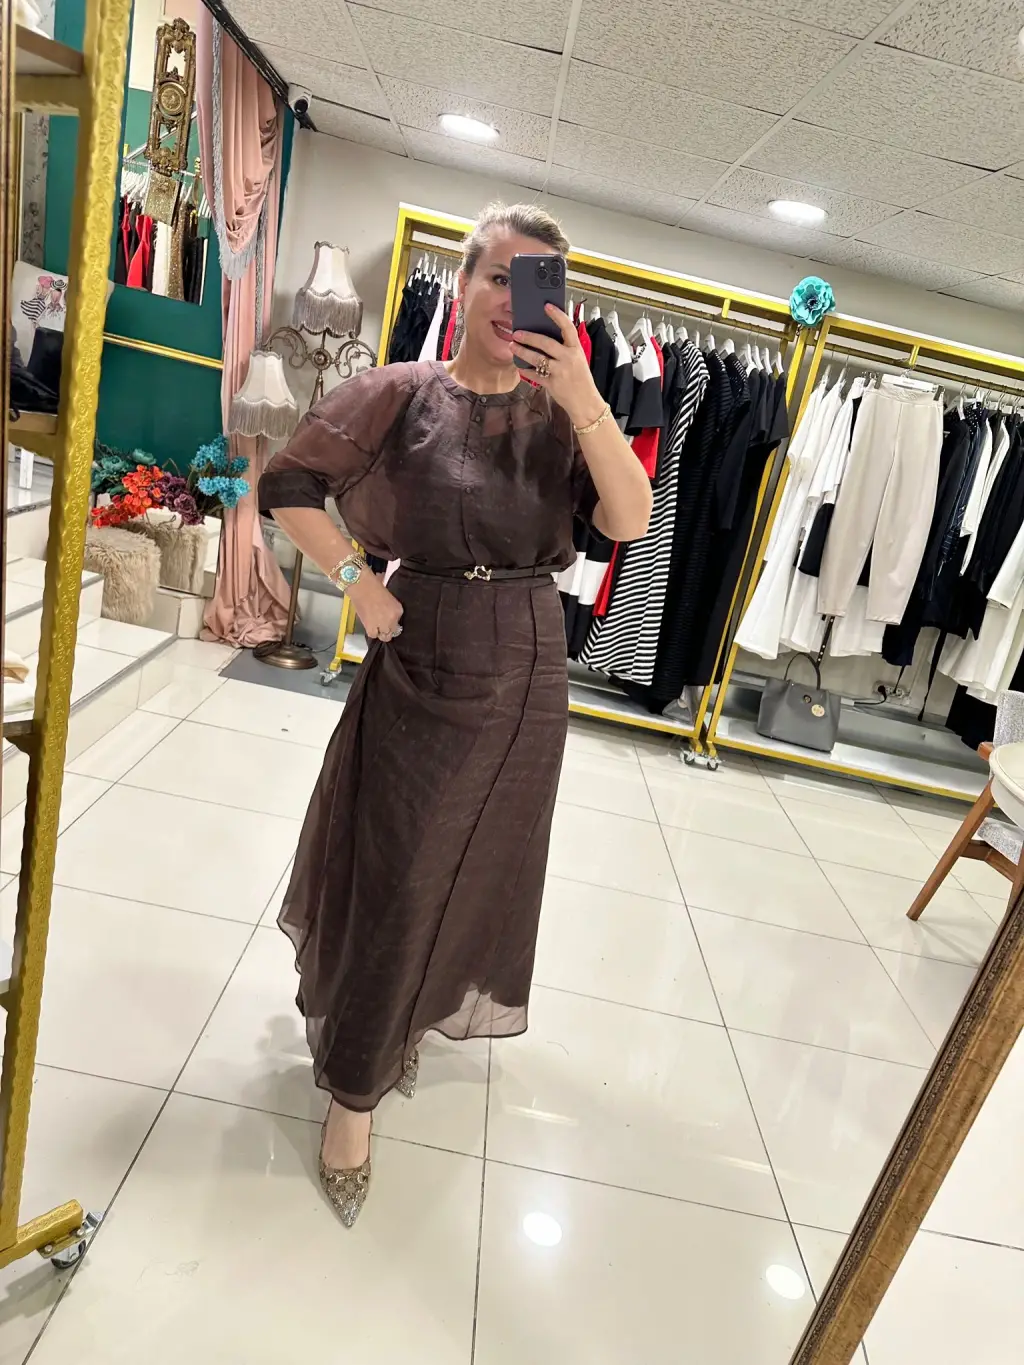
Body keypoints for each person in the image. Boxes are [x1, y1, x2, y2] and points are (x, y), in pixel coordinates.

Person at [258, 202, 652, 1226]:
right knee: (398, 873)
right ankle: (353, 1092)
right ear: (465, 282)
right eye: (497, 277)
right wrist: (356, 580)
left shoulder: (565, 416)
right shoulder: (402, 394)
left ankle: (406, 1022)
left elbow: (628, 518)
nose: (511, 301)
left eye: (536, 287)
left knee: (480, 872)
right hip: (424, 654)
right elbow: (288, 482)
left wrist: (583, 396)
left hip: (529, 667)